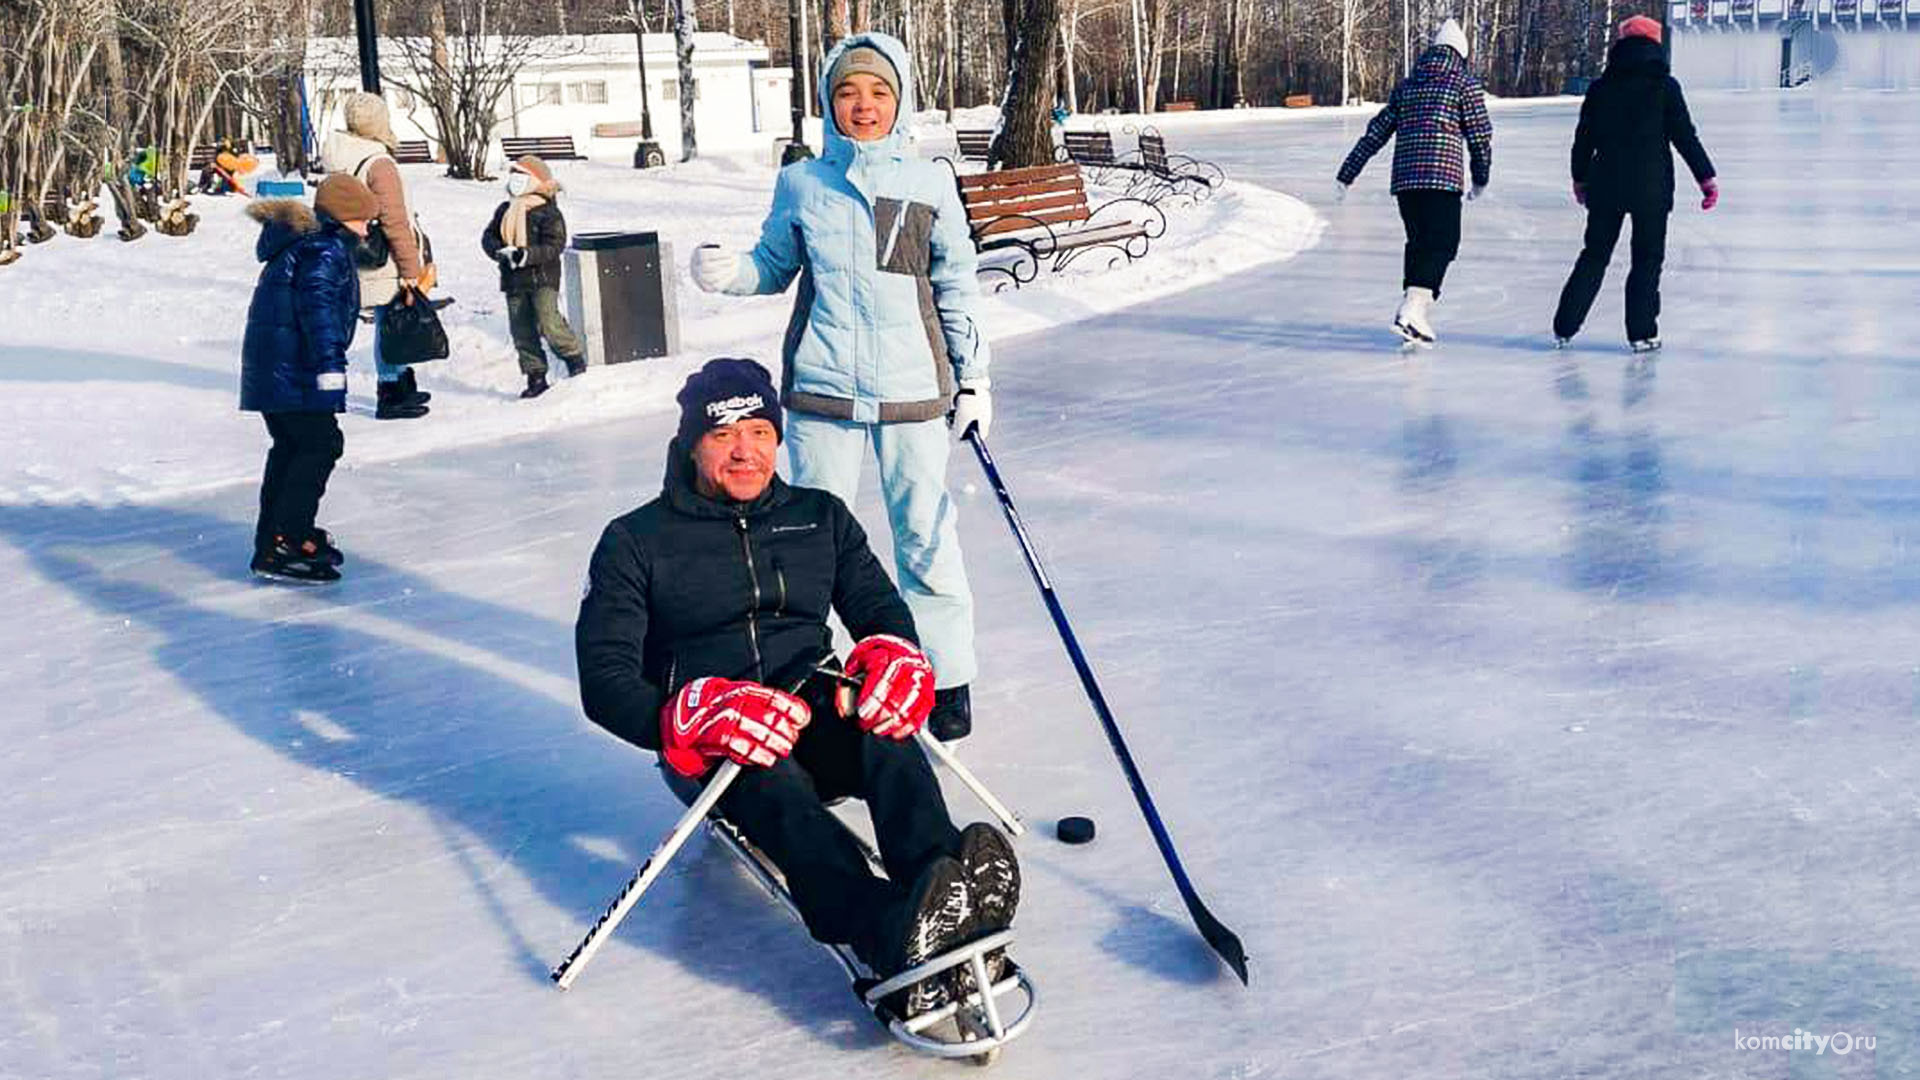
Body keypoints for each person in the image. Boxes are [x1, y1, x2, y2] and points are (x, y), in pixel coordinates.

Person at [574, 358, 1020, 1017]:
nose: (745, 451)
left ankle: (947, 892)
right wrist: (687, 716)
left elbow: (880, 610)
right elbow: (604, 680)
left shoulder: (820, 517)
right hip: (714, 740)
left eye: (759, 431)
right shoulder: (635, 541)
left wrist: (894, 655)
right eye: (724, 435)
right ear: (691, 442)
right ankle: (889, 931)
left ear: (778, 438)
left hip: (811, 704)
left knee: (887, 736)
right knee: (776, 787)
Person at [687, 33, 993, 742]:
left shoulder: (928, 182)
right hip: (823, 390)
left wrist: (973, 379)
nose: (863, 105)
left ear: (900, 100)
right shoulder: (803, 183)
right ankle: (812, 677)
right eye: (849, 92)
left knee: (924, 535)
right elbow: (772, 264)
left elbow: (956, 287)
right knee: (807, 541)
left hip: (914, 391)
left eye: (878, 92)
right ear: (828, 102)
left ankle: (945, 678)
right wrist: (730, 272)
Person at [1552, 15, 1717, 354]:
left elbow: (1583, 139)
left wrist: (1580, 178)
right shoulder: (1665, 87)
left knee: (1594, 255)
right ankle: (1641, 333)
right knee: (1647, 259)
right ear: (1655, 44)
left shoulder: (1601, 88)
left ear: (1620, 45)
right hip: (1651, 188)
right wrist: (1706, 178)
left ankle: (1564, 326)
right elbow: (1684, 136)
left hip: (1605, 185)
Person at [240, 175, 376, 583]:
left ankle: (275, 540)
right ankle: (289, 536)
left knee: (292, 446)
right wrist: (330, 366)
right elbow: (318, 312)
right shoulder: (325, 249)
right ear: (343, 217)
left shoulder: (301, 243)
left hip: (276, 370)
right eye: (362, 219)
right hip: (297, 370)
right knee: (320, 444)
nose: (368, 227)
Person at [1336, 19, 1494, 345]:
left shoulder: (1408, 85)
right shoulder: (1463, 83)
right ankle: (1413, 308)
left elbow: (1376, 132)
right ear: (1460, 54)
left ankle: (1413, 314)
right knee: (1443, 243)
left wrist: (1347, 173)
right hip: (1442, 180)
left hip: (1406, 184)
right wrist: (1480, 178)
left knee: (1420, 243)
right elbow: (1480, 136)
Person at [323, 91, 435, 420]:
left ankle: (401, 381)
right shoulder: (379, 163)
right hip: (385, 255)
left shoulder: (342, 157)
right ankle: (391, 390)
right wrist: (411, 266)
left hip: (359, 252)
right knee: (392, 320)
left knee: (391, 318)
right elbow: (394, 220)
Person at [480, 156, 587, 399]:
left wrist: (526, 255)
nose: (515, 181)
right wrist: (500, 251)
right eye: (513, 175)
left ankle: (573, 359)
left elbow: (554, 245)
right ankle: (535, 376)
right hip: (514, 279)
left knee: (548, 321)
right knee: (521, 329)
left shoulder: (548, 212)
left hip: (542, 277)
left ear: (535, 180)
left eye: (521, 175)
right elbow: (488, 237)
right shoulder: (506, 209)